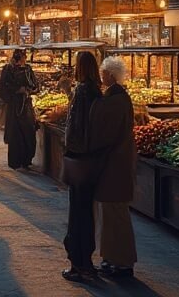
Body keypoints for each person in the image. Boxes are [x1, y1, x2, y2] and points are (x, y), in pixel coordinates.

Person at [89, 56, 137, 279]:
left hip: (114, 164)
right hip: (114, 163)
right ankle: (110, 258)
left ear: (110, 75)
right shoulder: (117, 96)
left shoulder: (116, 98)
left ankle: (123, 262)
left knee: (116, 214)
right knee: (109, 213)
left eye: (104, 73)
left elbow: (107, 130)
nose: (102, 76)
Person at [61, 50, 102, 283]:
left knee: (77, 212)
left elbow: (75, 127)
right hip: (93, 159)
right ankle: (85, 260)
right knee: (87, 211)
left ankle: (80, 264)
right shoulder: (97, 91)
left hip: (80, 159)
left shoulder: (81, 92)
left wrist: (69, 150)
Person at [0, 47, 40, 169]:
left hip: (26, 105)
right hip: (14, 107)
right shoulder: (7, 69)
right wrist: (16, 91)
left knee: (28, 133)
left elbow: (35, 85)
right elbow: (1, 89)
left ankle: (27, 160)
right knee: (15, 135)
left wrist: (28, 91)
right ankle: (16, 161)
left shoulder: (28, 69)